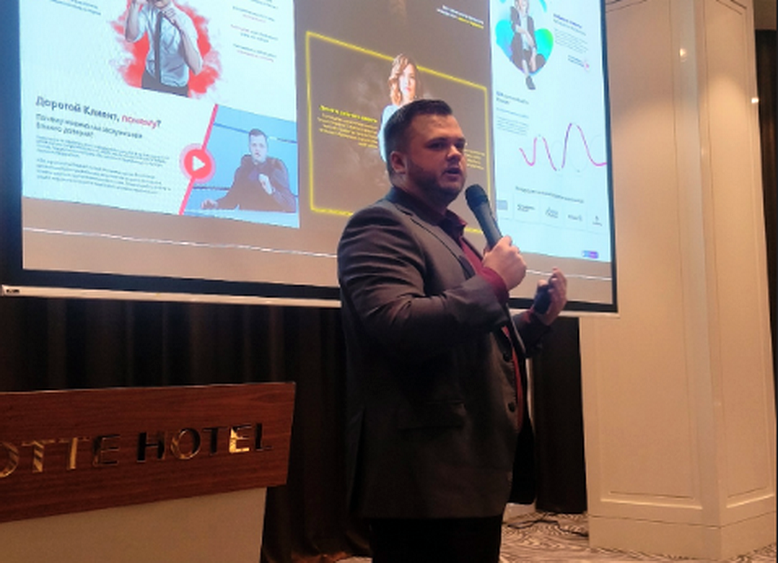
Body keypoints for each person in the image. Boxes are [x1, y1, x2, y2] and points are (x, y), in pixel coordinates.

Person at [337, 99, 567, 562]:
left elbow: (475, 342)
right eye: (438, 145)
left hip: (470, 468)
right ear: (398, 162)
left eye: (459, 144)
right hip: (424, 476)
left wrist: (535, 319)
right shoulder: (379, 226)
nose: (455, 154)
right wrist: (493, 282)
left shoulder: (450, 235)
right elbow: (399, 324)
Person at [201, 129, 296, 213]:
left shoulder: (275, 171)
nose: (257, 149)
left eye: (261, 146)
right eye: (254, 145)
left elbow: (291, 206)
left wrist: (272, 191)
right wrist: (216, 204)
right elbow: (232, 200)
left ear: (267, 149)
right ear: (249, 147)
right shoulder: (242, 172)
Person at [125, 0, 202, 97]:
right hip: (150, 79)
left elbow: (196, 68)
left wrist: (182, 30)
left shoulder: (184, 20)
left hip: (174, 87)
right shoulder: (148, 10)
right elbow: (130, 37)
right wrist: (135, 5)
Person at [378, 54, 422, 161]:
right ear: (397, 79)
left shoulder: (424, 114)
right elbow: (385, 149)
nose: (407, 81)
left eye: (411, 77)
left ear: (416, 82)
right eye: (403, 76)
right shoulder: (390, 112)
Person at [511, 0, 538, 90]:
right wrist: (525, 32)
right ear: (517, 3)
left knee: (536, 63)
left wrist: (533, 55)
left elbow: (533, 40)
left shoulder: (530, 20)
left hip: (528, 49)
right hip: (517, 46)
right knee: (519, 45)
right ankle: (527, 78)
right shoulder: (514, 12)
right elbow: (514, 27)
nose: (523, 2)